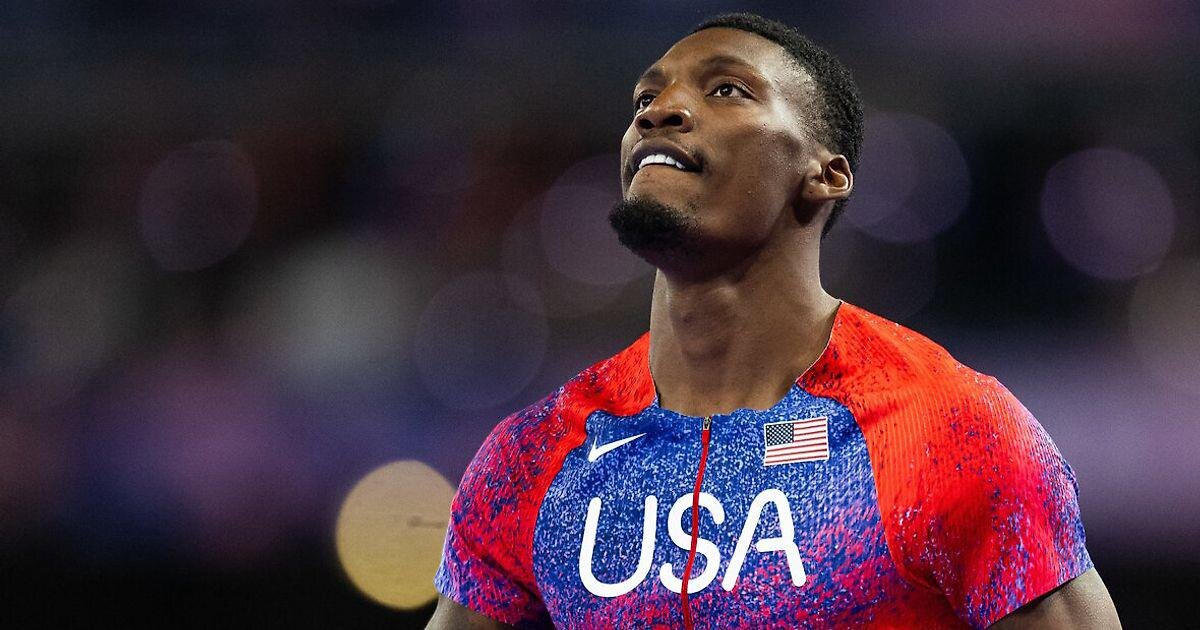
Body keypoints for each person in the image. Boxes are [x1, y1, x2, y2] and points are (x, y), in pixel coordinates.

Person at [427, 12, 1121, 629]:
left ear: (826, 174)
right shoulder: (531, 460)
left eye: (726, 89)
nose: (660, 111)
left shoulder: (949, 431)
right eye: (645, 98)